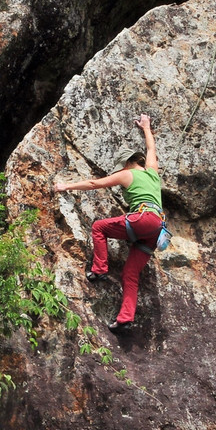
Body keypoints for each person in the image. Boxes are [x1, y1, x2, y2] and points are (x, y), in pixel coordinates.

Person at [53, 114, 165, 332]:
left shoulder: (127, 174)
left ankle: (100, 269)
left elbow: (94, 184)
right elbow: (151, 149)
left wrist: (66, 186)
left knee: (99, 227)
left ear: (128, 162)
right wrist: (146, 127)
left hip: (143, 219)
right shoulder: (152, 173)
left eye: (122, 165)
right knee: (130, 274)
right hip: (156, 228)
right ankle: (125, 319)